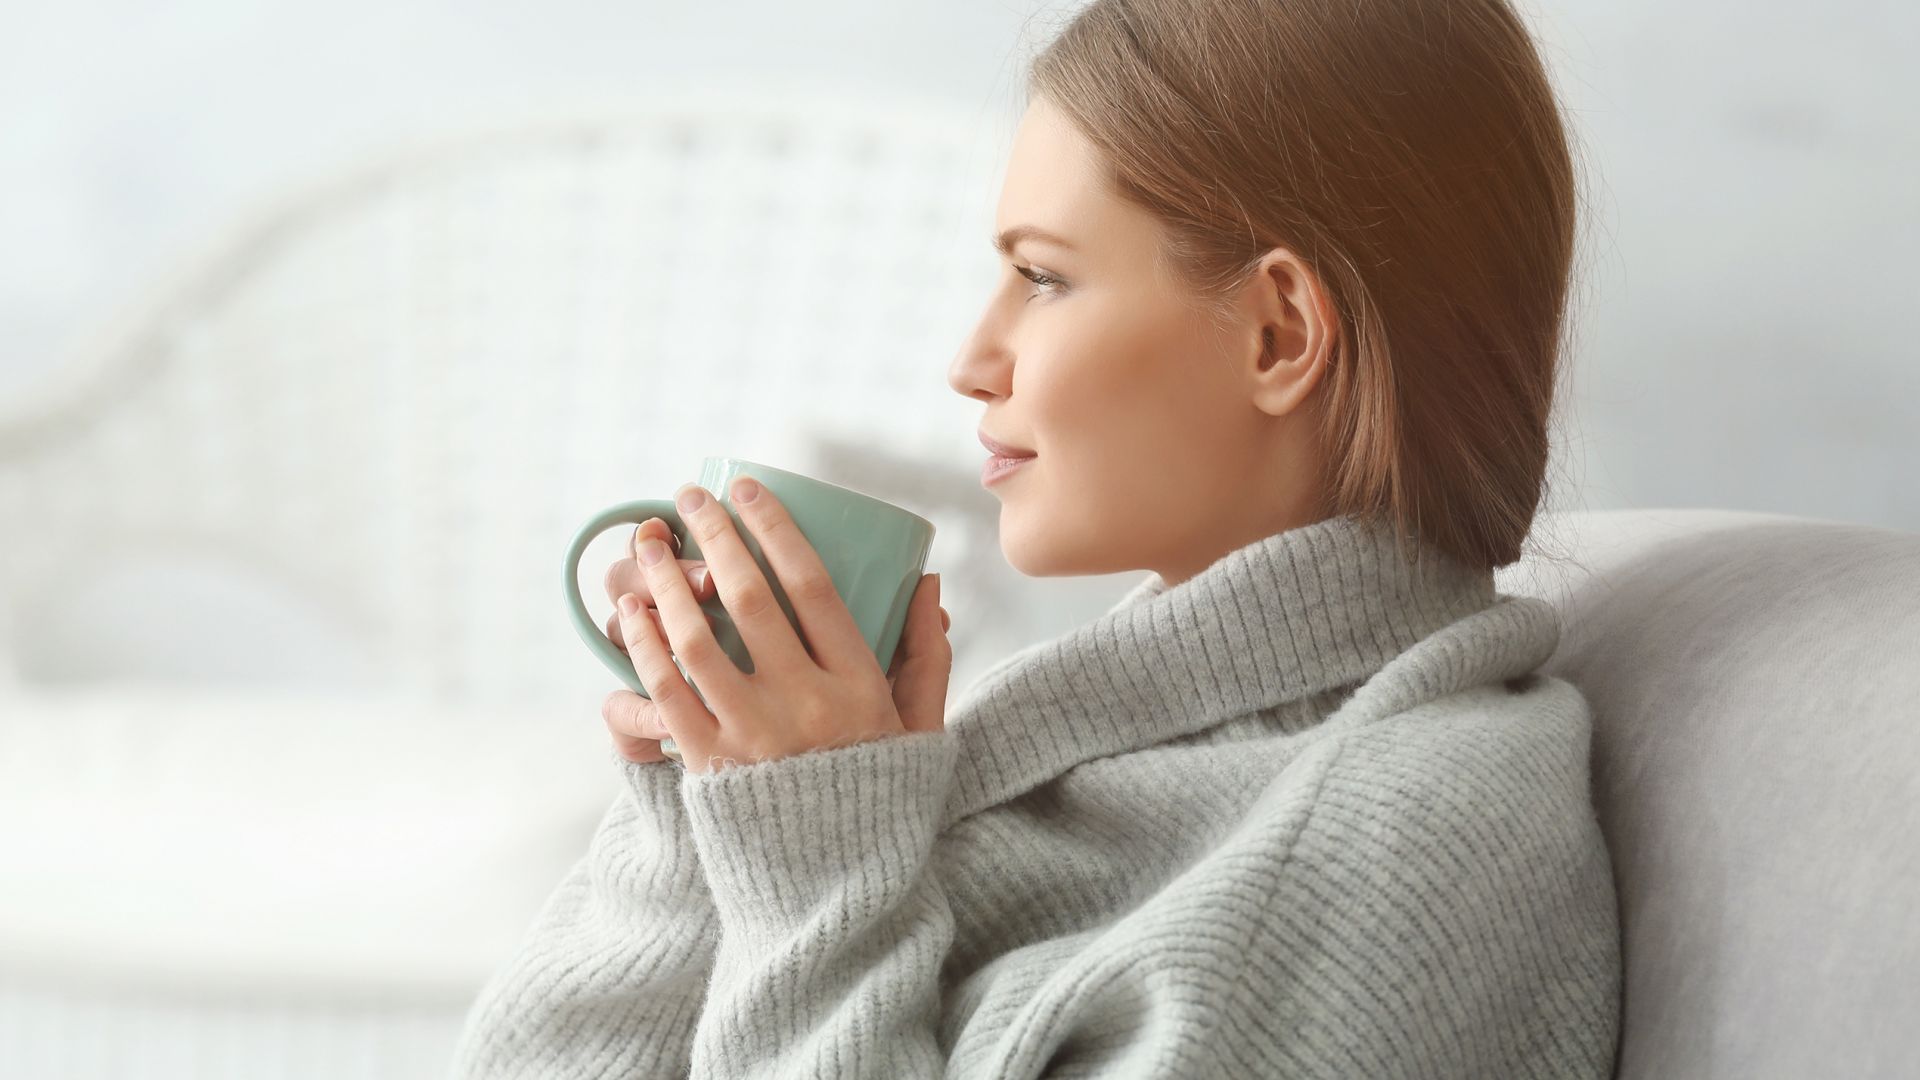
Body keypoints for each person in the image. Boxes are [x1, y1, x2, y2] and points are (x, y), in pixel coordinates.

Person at [449, 0, 1622, 1074]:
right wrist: (712, 810)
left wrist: (815, 863)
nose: (971, 363)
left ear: (1276, 335)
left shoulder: (1395, 849)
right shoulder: (1132, 746)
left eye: (1043, 279)